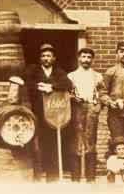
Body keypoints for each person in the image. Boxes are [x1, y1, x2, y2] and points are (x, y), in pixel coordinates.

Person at [25, 43, 73, 182]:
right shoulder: (33, 70)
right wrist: (38, 87)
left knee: (53, 144)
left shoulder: (58, 72)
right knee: (37, 145)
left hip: (53, 114)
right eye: (43, 56)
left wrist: (52, 86)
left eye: (49, 56)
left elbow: (68, 84)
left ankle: (52, 176)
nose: (46, 58)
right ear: (40, 58)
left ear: (53, 58)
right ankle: (38, 175)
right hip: (37, 113)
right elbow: (26, 83)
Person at [68, 47, 102, 183]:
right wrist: (72, 98)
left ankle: (91, 178)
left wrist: (97, 107)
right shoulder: (71, 76)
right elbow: (66, 94)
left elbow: (102, 95)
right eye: (83, 57)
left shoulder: (98, 76)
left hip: (91, 109)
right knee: (76, 141)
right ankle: (75, 178)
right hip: (76, 109)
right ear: (79, 58)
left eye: (89, 57)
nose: (86, 60)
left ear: (92, 59)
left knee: (91, 141)